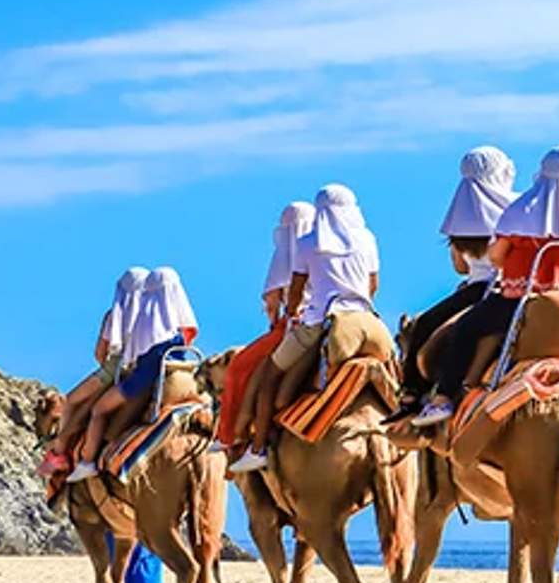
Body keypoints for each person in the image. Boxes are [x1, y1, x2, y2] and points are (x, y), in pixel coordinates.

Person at [414, 144, 559, 427]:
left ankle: (442, 397)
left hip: (523, 302)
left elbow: (496, 257)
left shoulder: (521, 211)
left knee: (465, 330)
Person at [229, 183, 380, 473]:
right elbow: (373, 285)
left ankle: (258, 447)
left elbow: (296, 290)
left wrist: (294, 311)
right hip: (366, 319)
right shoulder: (367, 239)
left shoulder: (310, 242)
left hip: (322, 320)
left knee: (269, 375)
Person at [397, 147, 518, 402]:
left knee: (425, 325)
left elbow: (461, 268)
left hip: (481, 290)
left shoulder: (462, 213)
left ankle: (412, 393)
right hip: (529, 288)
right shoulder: (521, 208)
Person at [72, 267, 199, 479]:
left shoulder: (146, 331)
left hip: (144, 379)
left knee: (99, 409)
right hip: (177, 372)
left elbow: (129, 359)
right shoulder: (178, 334)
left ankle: (87, 462)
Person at [215, 201, 314, 456]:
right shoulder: (331, 246)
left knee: (239, 369)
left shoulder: (289, 255)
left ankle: (234, 437)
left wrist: (275, 323)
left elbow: (274, 303)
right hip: (347, 318)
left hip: (299, 325)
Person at [42, 266, 147, 476]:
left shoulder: (114, 316)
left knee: (70, 401)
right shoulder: (152, 317)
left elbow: (100, 353)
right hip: (145, 370)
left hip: (114, 370)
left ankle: (60, 454)